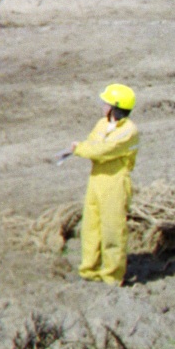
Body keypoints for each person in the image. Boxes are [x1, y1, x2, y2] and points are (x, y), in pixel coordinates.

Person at [71, 83, 140, 286]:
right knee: (91, 228)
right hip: (96, 181)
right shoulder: (101, 124)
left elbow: (101, 151)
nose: (103, 105)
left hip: (115, 184)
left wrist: (79, 148)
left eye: (106, 102)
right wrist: (87, 147)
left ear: (116, 106)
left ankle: (111, 276)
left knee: (113, 230)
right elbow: (93, 143)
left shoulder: (129, 131)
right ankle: (89, 270)